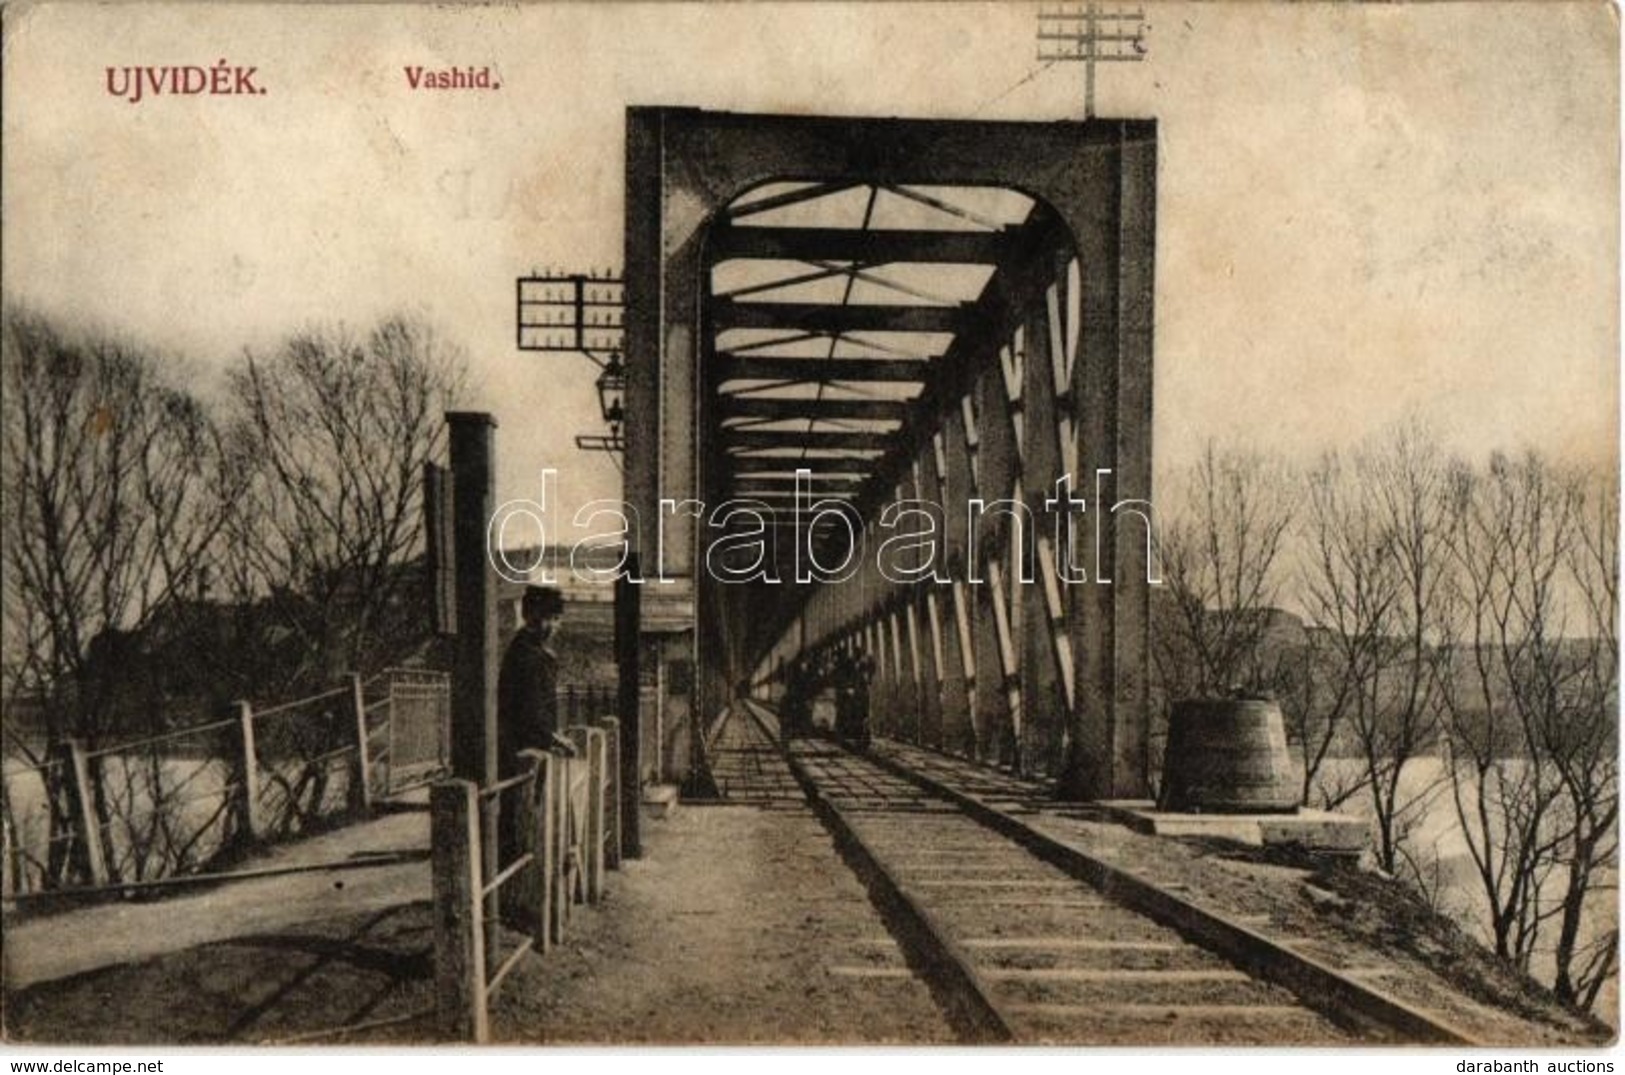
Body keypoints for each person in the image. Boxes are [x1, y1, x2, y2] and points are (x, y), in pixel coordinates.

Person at [496, 585, 573, 892]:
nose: (553, 626)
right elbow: (528, 710)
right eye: (547, 619)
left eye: (556, 619)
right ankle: (522, 894)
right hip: (522, 749)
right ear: (530, 617)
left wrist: (551, 736)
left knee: (528, 819)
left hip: (528, 744)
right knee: (525, 819)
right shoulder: (528, 656)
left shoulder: (529, 651)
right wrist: (552, 738)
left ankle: (524, 889)